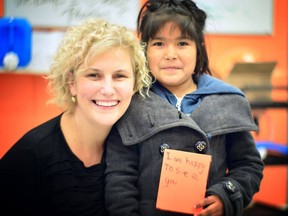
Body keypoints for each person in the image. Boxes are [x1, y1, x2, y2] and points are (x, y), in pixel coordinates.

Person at [105, 1, 264, 216]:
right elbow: (119, 179)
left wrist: (226, 197)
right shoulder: (130, 103)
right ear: (144, 50)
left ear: (198, 48)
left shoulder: (228, 100)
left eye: (182, 43)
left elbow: (248, 166)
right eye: (159, 43)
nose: (171, 54)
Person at [0, 18, 151, 216]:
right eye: (94, 75)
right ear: (72, 82)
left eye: (119, 76)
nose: (107, 89)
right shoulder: (29, 158)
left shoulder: (139, 147)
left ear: (135, 83)